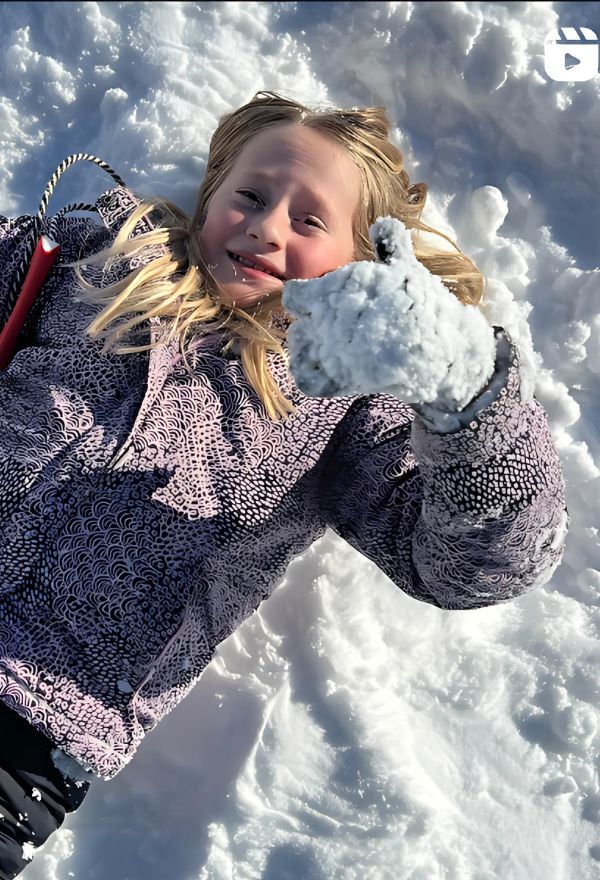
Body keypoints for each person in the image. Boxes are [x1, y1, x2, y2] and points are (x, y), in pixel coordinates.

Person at [0, 90, 569, 878]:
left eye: (309, 222)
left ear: (358, 263)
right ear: (210, 199)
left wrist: (463, 388)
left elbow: (470, 566)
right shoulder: (93, 257)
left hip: (31, 721)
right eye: (252, 196)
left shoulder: (344, 411)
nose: (266, 227)